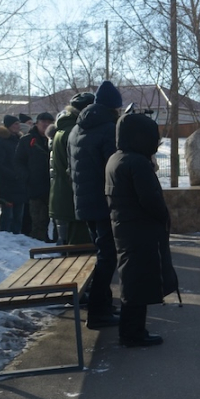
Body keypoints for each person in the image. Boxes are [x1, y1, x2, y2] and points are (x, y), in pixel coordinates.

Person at [105, 111, 179, 347]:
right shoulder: (137, 163)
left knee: (133, 278)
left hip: (127, 227)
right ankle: (133, 333)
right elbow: (150, 199)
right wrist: (163, 216)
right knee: (138, 280)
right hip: (140, 229)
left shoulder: (117, 158)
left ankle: (132, 329)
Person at [68, 80, 123, 329]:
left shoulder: (77, 128)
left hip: (85, 201)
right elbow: (113, 167)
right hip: (103, 202)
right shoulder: (108, 129)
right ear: (114, 108)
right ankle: (99, 311)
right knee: (107, 257)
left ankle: (103, 304)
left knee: (102, 254)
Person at [50, 93, 95, 245]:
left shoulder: (63, 129)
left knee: (67, 243)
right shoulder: (74, 132)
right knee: (78, 248)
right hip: (71, 198)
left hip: (62, 195)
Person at [15, 112, 55, 241]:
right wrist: (27, 177)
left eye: (49, 122)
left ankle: (55, 241)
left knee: (55, 218)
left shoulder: (55, 139)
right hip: (35, 186)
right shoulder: (27, 140)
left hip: (53, 185)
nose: (46, 125)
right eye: (43, 122)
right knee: (38, 219)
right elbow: (18, 161)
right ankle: (39, 242)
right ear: (37, 123)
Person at [0, 115, 27, 234]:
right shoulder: (1, 142)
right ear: (8, 126)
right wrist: (13, 175)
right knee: (8, 215)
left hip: (20, 183)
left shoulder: (19, 140)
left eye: (18, 124)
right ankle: (5, 237)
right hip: (7, 184)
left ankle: (16, 236)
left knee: (18, 215)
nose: (18, 126)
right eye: (15, 124)